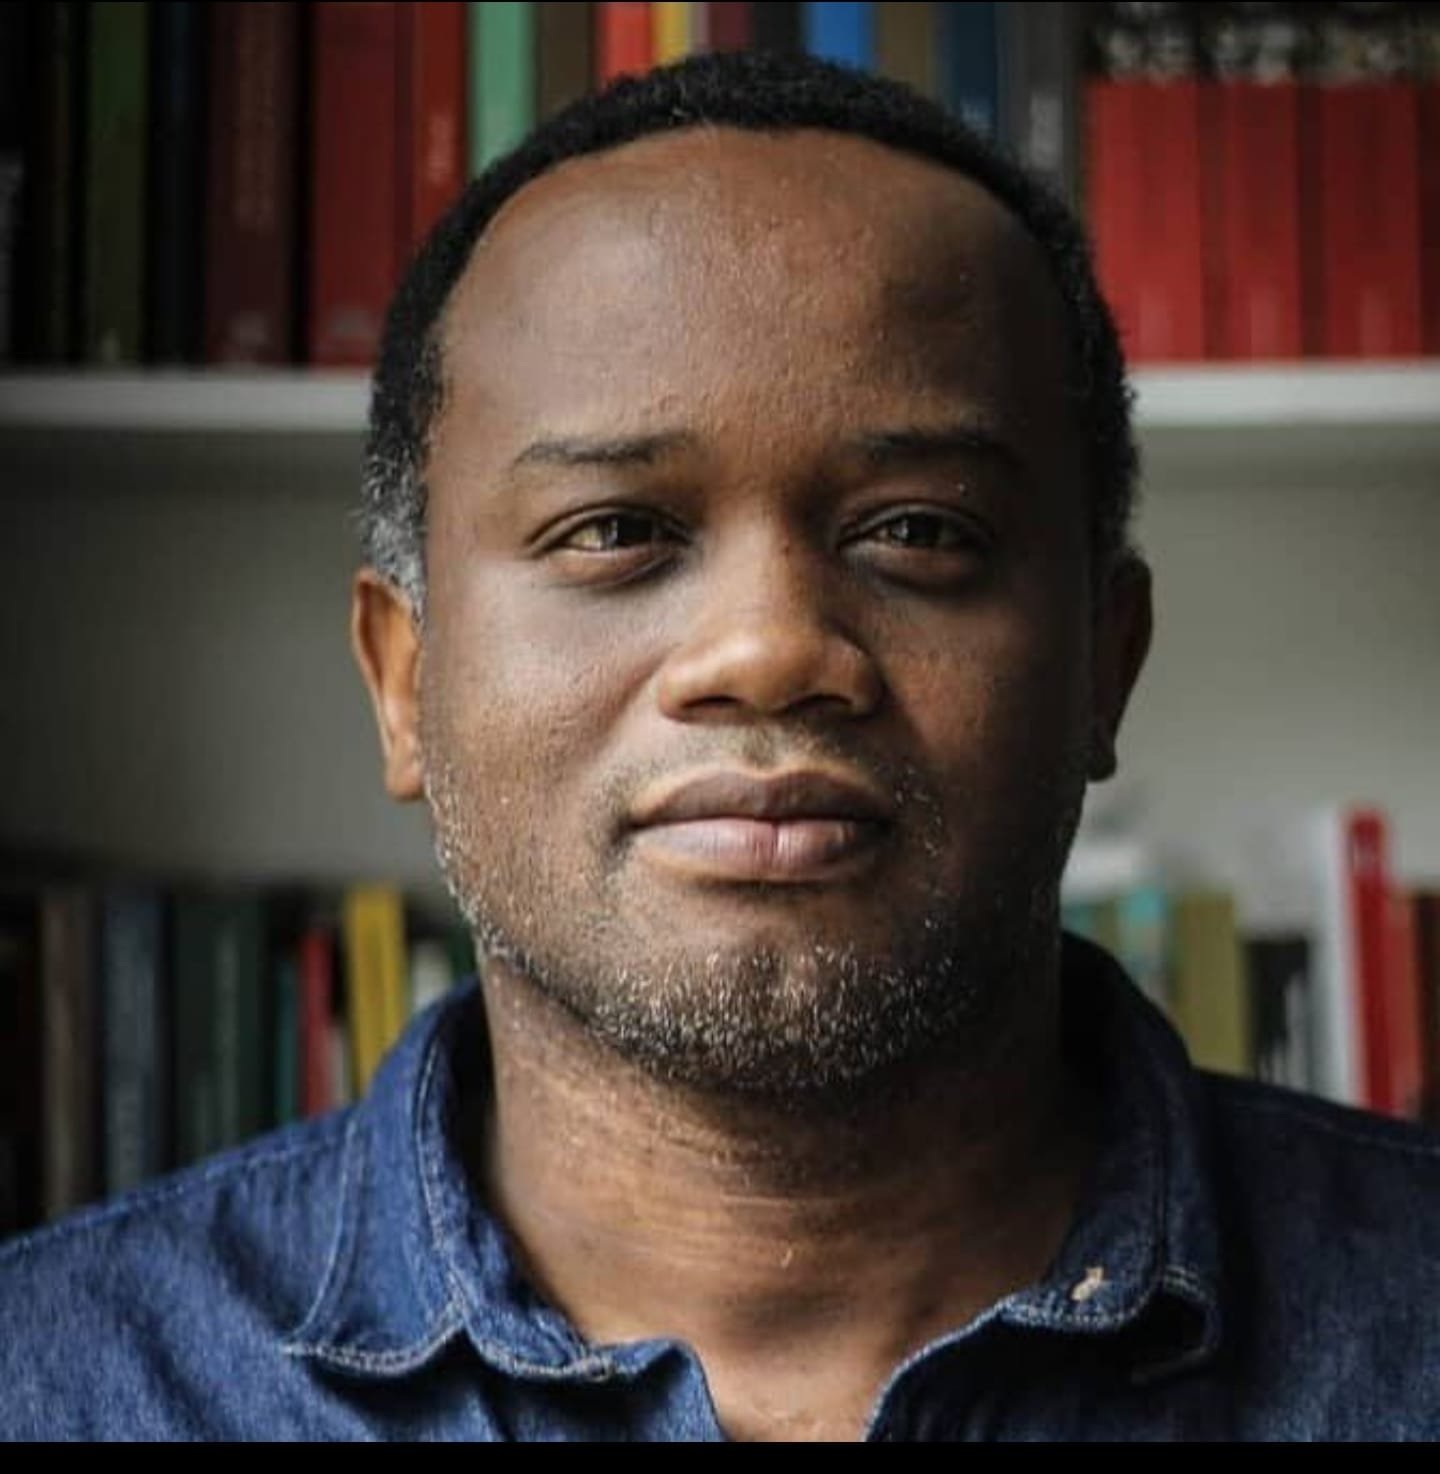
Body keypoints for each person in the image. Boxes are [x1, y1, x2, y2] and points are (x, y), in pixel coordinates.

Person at [3, 49, 1438, 1443]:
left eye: (918, 529)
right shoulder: (47, 1384)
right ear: (404, 680)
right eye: (614, 530)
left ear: (1104, 664)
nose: (768, 650)